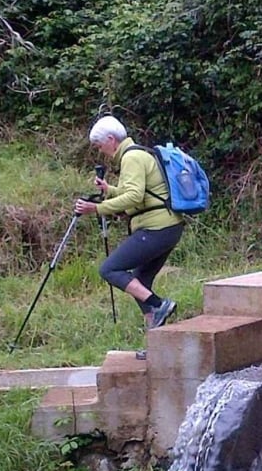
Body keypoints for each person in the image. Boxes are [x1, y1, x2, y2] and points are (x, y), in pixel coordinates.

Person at [74, 117, 183, 347]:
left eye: (99, 146)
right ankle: (156, 346)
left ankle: (160, 304)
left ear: (111, 139)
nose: (100, 151)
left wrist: (97, 208)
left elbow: (134, 196)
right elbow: (138, 192)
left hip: (156, 228)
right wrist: (109, 190)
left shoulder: (131, 157)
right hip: (168, 227)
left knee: (109, 269)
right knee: (140, 281)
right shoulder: (139, 153)